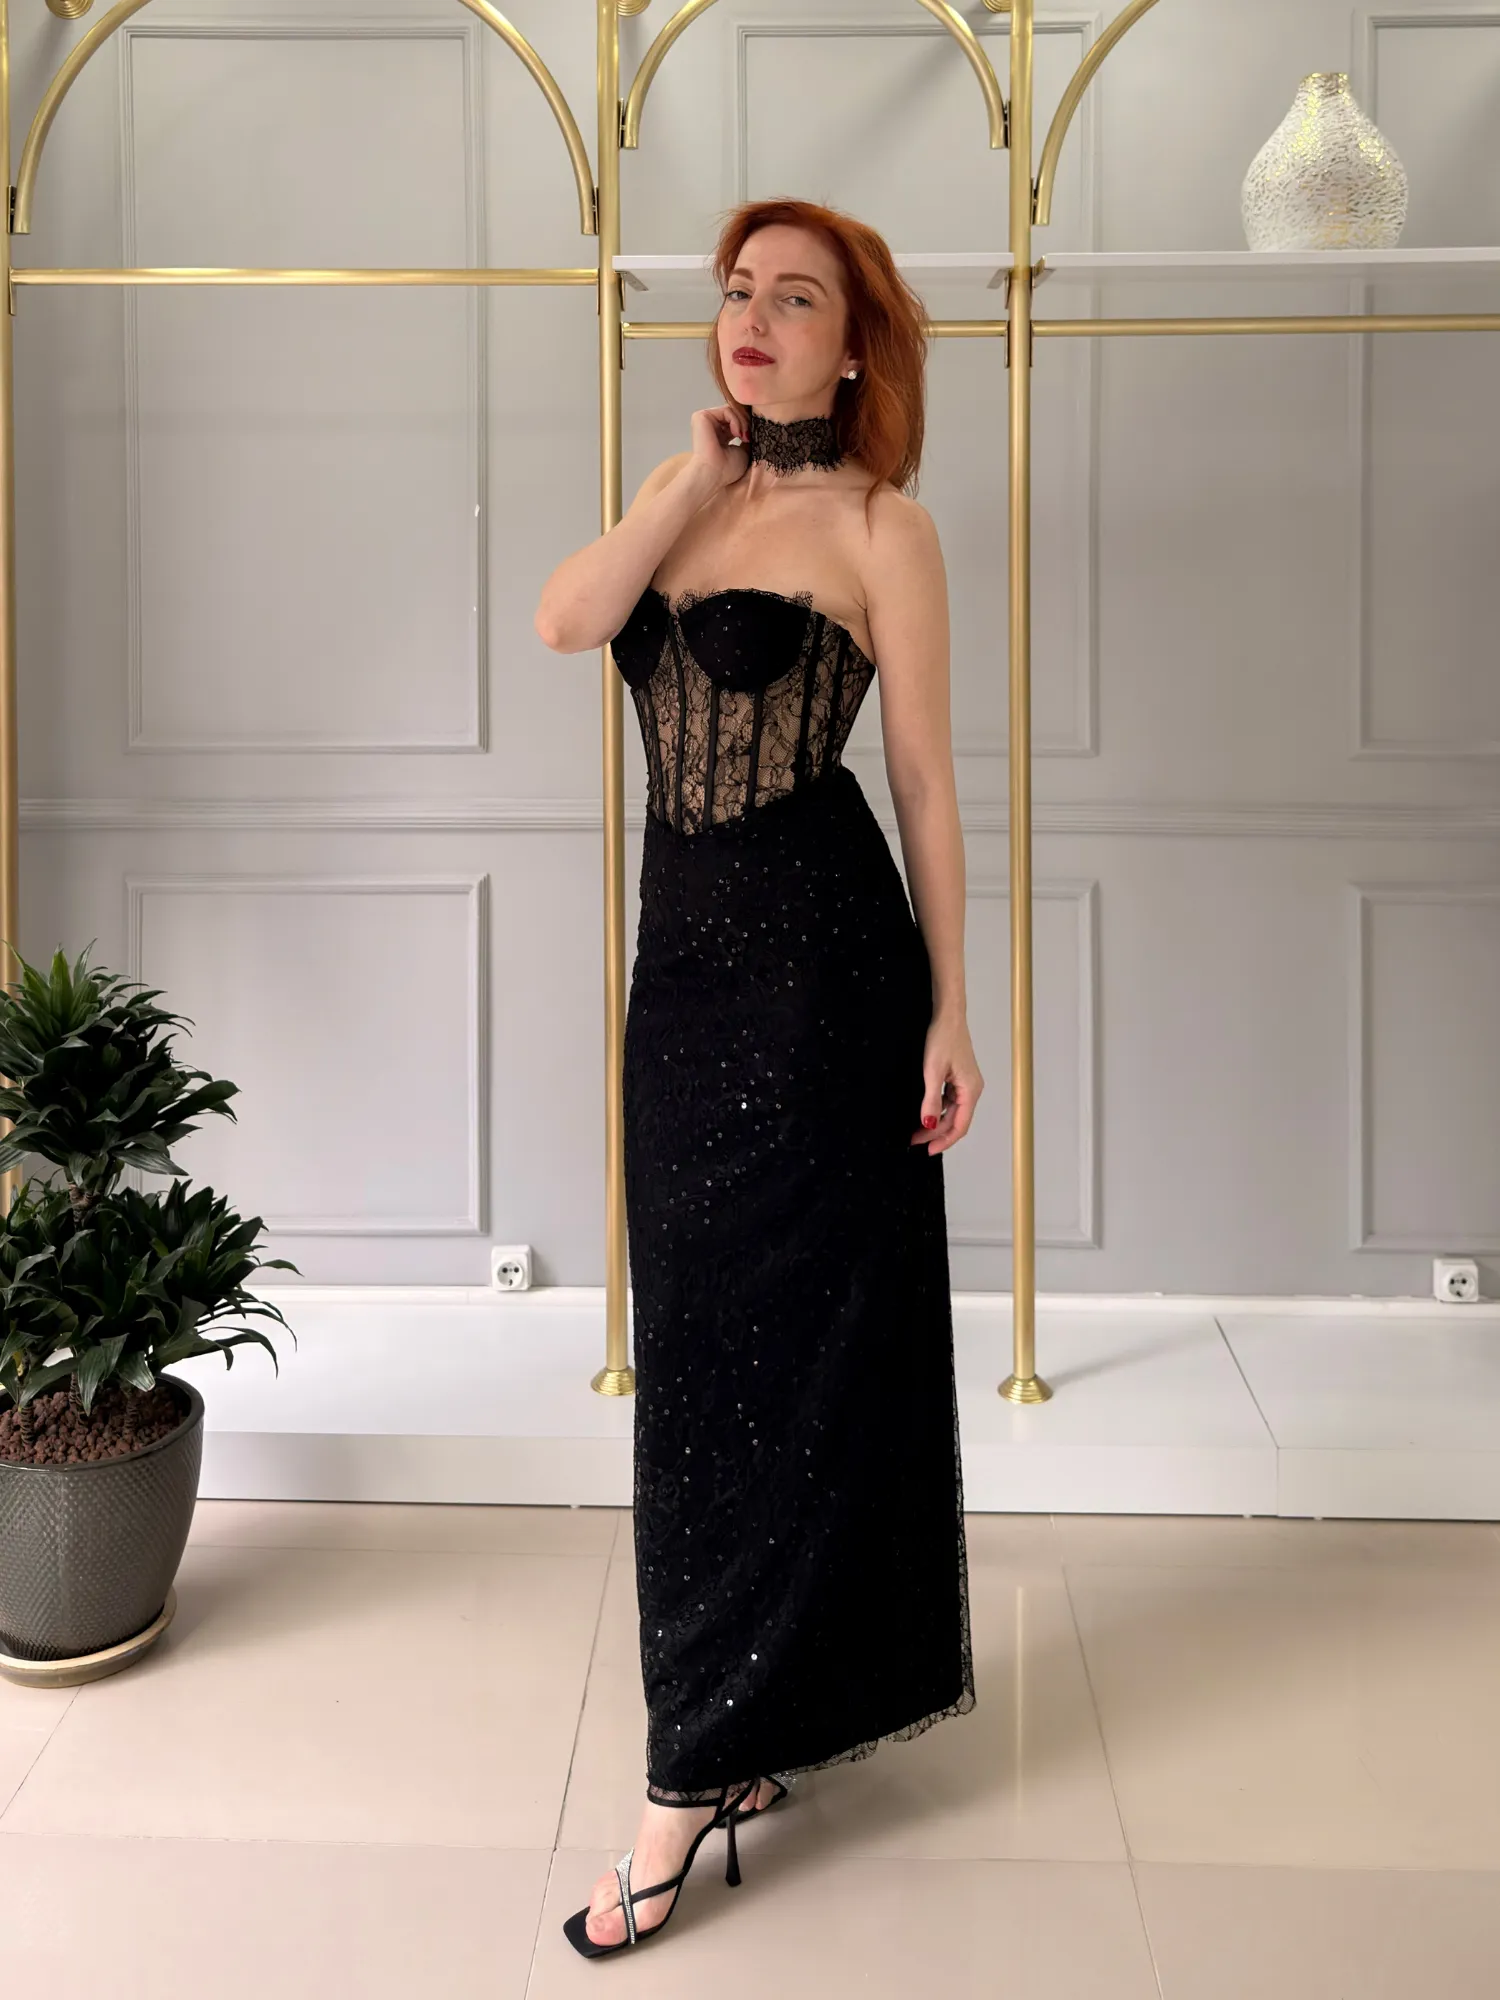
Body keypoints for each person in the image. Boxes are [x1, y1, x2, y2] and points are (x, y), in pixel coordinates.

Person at [534, 195, 981, 1958]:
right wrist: (685, 484)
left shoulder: (884, 528)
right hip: (684, 990)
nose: (756, 317)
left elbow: (926, 782)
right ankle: (743, 1723)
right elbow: (570, 620)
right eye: (738, 291)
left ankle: (685, 1775)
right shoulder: (689, 493)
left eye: (797, 298)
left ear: (853, 347)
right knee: (706, 1362)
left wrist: (955, 1011)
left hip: (825, 988)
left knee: (791, 1357)